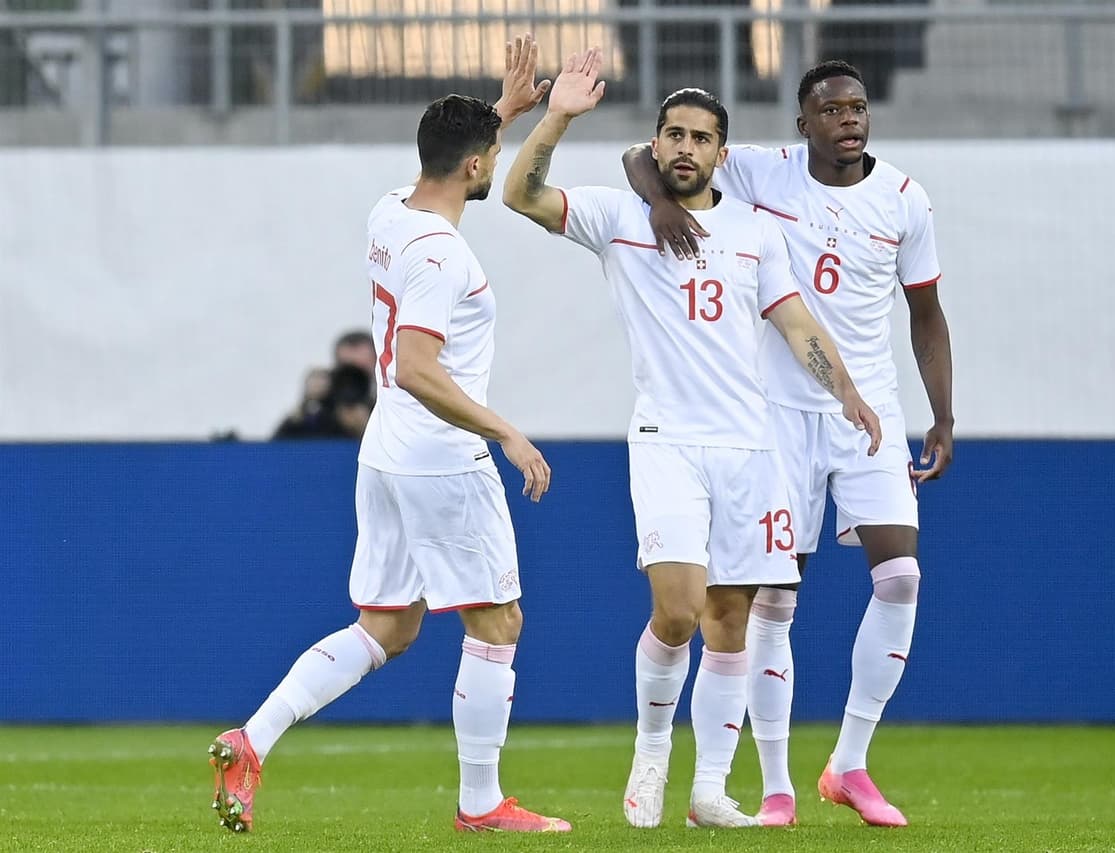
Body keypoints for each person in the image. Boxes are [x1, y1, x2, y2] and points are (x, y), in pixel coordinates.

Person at [503, 48, 882, 829]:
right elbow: (519, 193)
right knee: (677, 610)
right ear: (656, 141)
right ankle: (651, 748)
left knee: (732, 620)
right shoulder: (620, 218)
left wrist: (847, 389)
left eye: (700, 136)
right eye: (671, 133)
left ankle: (711, 789)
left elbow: (795, 320)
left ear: (720, 150)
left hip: (750, 447)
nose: (684, 146)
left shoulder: (754, 231)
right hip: (667, 440)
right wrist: (559, 117)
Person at [207, 36, 571, 835]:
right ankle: (482, 804)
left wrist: (501, 112)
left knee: (387, 627)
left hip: (385, 454)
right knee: (496, 622)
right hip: (441, 455)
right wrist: (507, 429)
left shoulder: (391, 209)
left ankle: (251, 738)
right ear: (478, 167)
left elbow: (451, 158)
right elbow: (415, 367)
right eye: (491, 153)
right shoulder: (443, 254)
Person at [622, 58, 954, 828]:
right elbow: (646, 156)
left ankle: (849, 762)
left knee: (901, 576)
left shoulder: (905, 200)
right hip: (771, 415)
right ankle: (776, 786)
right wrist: (657, 204)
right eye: (832, 110)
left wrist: (942, 414)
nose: (850, 120)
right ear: (803, 123)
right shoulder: (762, 172)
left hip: (863, 405)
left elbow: (927, 313)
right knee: (772, 599)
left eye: (859, 107)